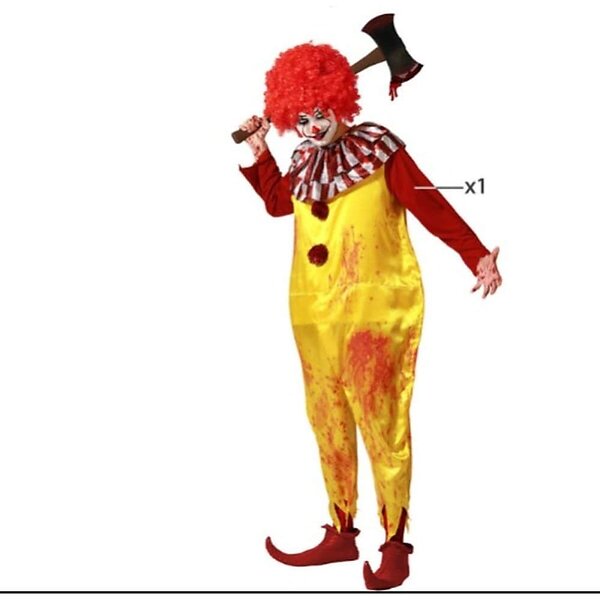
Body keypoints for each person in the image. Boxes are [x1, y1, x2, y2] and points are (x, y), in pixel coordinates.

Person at [238, 42, 501, 591]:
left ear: (340, 103)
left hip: (375, 311)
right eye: (301, 118)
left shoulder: (378, 149)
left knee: (382, 422)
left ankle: (395, 543)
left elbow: (430, 203)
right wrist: (260, 152)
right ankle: (341, 532)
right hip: (313, 311)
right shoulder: (304, 159)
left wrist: (475, 254)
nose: (312, 127)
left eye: (320, 113)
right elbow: (280, 203)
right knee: (326, 417)